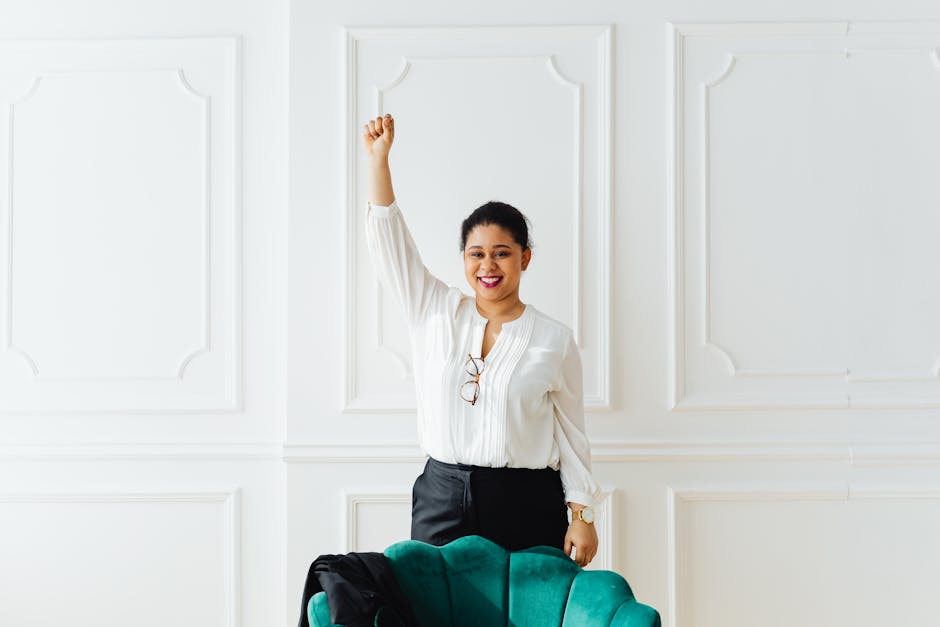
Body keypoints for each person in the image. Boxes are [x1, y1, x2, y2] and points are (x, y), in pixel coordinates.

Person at [361, 112, 600, 567]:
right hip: (441, 497)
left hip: (527, 501)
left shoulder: (554, 339)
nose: (488, 266)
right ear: (464, 259)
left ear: (525, 258)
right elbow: (389, 243)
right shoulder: (433, 310)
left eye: (502, 253)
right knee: (433, 601)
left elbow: (572, 436)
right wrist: (378, 161)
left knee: (526, 603)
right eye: (477, 254)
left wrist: (582, 514)